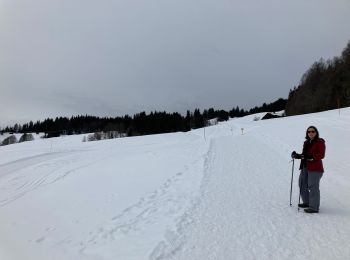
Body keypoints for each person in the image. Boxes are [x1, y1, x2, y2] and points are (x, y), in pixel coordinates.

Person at [291, 126, 326, 213]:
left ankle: (314, 207)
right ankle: (307, 202)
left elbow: (321, 155)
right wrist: (297, 155)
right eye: (309, 131)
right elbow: (304, 155)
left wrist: (312, 157)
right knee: (302, 184)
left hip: (315, 168)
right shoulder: (306, 142)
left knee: (313, 186)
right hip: (305, 166)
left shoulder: (320, 142)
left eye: (313, 131)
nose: (311, 133)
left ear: (316, 132)